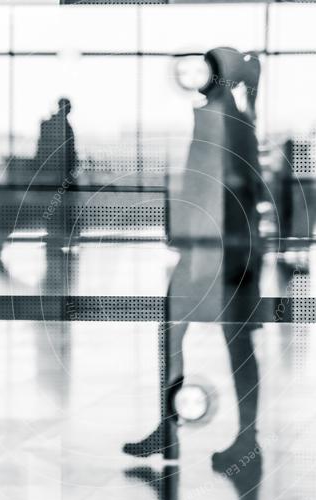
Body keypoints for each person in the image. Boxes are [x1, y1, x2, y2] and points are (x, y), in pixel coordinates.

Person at [123, 48, 266, 470]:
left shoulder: (230, 122)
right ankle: (183, 429)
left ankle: (239, 436)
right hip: (204, 248)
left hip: (220, 250)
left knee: (230, 343)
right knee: (186, 337)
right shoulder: (221, 118)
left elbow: (241, 188)